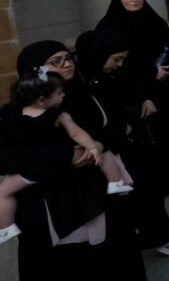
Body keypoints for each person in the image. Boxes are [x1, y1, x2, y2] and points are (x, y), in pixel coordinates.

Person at [10, 38, 149, 280]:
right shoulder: (17, 112)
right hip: (53, 200)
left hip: (101, 190)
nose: (66, 64)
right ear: (34, 70)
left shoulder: (87, 93)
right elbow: (10, 157)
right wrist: (66, 157)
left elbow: (117, 127)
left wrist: (99, 143)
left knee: (114, 254)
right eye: (56, 61)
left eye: (68, 58)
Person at [75, 29, 169, 258]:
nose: (119, 64)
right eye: (116, 59)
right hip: (108, 149)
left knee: (147, 192)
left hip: (131, 143)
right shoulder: (80, 80)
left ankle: (159, 235)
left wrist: (144, 99)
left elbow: (128, 89)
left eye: (122, 58)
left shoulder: (108, 74)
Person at [0, 70, 133, 244]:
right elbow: (76, 133)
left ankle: (6, 227)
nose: (63, 95)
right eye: (59, 93)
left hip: (33, 168)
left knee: (3, 192)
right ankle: (116, 182)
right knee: (103, 152)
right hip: (62, 157)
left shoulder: (14, 118)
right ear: (41, 99)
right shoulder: (59, 115)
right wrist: (92, 146)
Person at [97, 0, 169, 195]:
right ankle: (159, 182)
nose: (134, 0)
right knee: (150, 135)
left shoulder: (153, 20)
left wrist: (162, 67)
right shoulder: (109, 26)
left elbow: (168, 45)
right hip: (135, 88)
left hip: (163, 83)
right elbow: (115, 63)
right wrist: (151, 73)